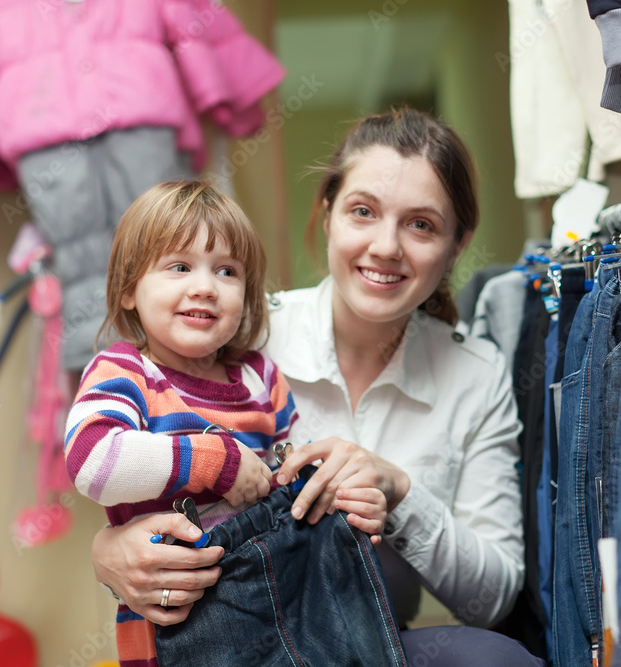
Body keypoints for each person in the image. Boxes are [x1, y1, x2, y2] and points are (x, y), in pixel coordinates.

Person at [89, 109, 546, 666]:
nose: (386, 247)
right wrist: (108, 551)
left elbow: (494, 597)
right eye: (363, 212)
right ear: (327, 215)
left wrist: (400, 491)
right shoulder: (233, 339)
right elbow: (131, 470)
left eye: (421, 224)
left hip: (362, 639)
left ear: (456, 245)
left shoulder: (477, 374)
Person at [64, 181, 390, 664]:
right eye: (179, 267)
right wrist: (214, 459)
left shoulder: (260, 375)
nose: (204, 286)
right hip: (180, 614)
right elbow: (92, 461)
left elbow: (295, 472)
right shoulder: (126, 371)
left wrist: (341, 494)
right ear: (130, 289)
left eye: (226, 271)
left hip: (290, 603)